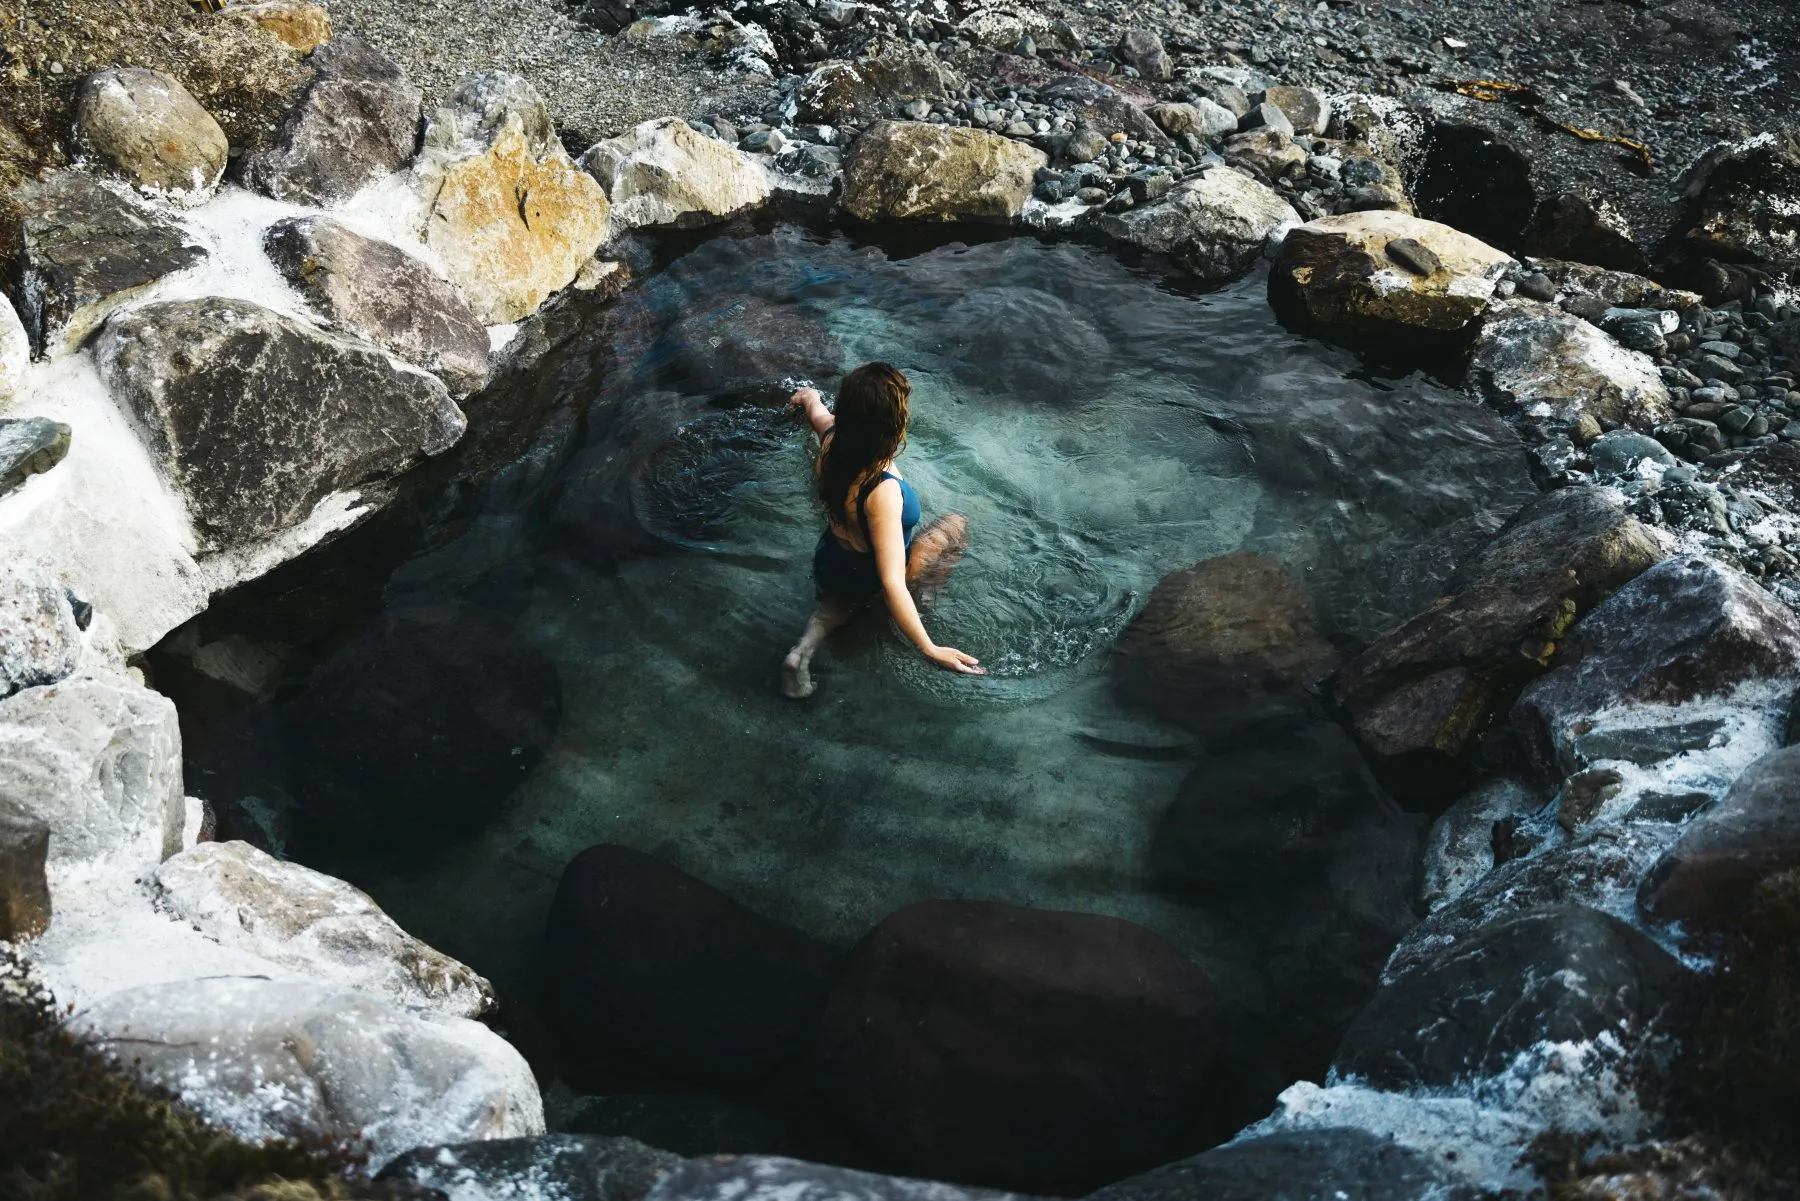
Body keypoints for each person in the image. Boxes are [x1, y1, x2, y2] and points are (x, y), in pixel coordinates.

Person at [782, 362, 984, 698]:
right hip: (870, 578)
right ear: (892, 423)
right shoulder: (881, 491)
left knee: (840, 599)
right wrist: (930, 648)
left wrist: (806, 397)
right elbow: (891, 581)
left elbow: (813, 406)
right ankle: (922, 600)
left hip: (831, 561)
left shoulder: (831, 441)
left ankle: (802, 650)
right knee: (955, 525)